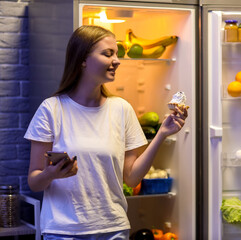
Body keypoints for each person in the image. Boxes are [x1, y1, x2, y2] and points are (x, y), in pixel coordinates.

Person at [24, 25, 188, 240]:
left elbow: (131, 178)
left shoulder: (121, 108)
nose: (117, 60)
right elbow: (34, 181)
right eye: (108, 53)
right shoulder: (52, 109)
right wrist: (51, 174)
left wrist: (162, 134)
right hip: (63, 231)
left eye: (116, 54)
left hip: (112, 229)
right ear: (83, 59)